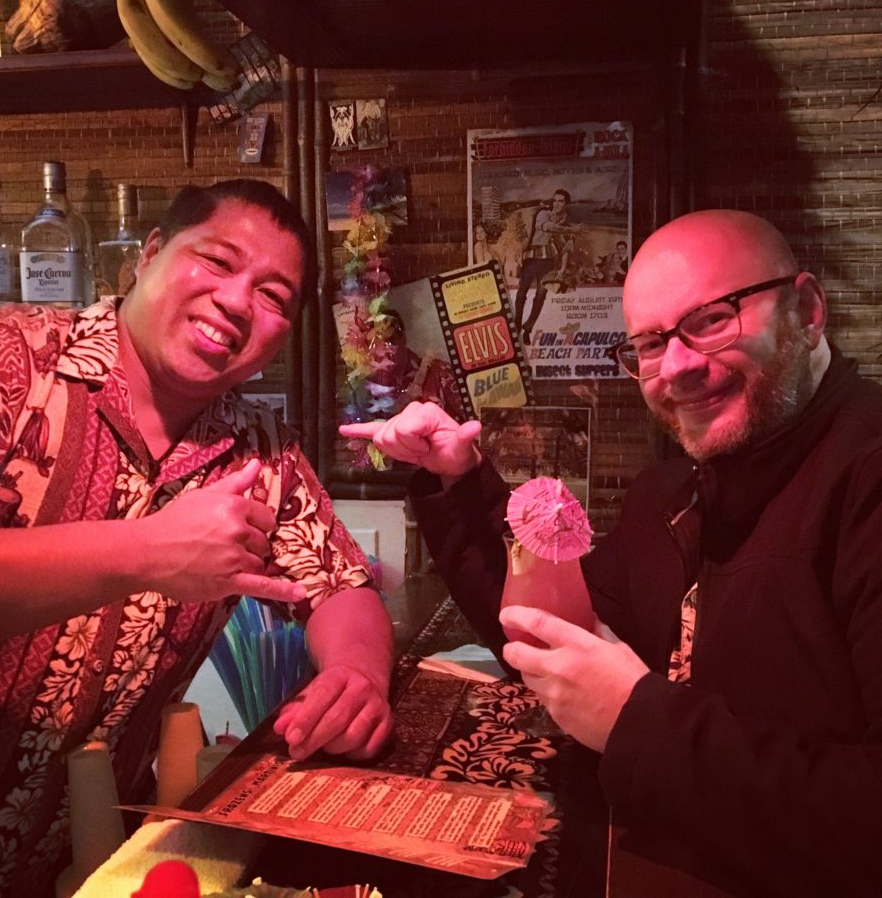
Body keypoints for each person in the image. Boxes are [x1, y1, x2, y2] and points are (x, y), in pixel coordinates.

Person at [0, 180, 394, 897]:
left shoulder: (258, 452)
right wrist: (144, 550)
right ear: (147, 255)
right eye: (217, 260)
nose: (237, 302)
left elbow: (342, 588)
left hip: (74, 870)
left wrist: (356, 680)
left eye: (273, 297)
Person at [340, 209, 882, 897]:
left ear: (804, 310)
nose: (678, 366)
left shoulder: (865, 478)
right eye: (650, 344)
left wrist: (636, 719)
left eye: (712, 319)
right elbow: (551, 635)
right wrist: (457, 476)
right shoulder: (671, 492)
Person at [514, 189, 580, 344]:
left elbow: (566, 249)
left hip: (549, 263)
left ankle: (528, 329)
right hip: (532, 258)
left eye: (561, 201)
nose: (557, 203)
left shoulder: (565, 222)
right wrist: (570, 230)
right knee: (521, 292)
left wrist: (563, 268)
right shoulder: (543, 214)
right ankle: (516, 324)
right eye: (555, 200)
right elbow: (547, 227)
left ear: (566, 204)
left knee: (540, 296)